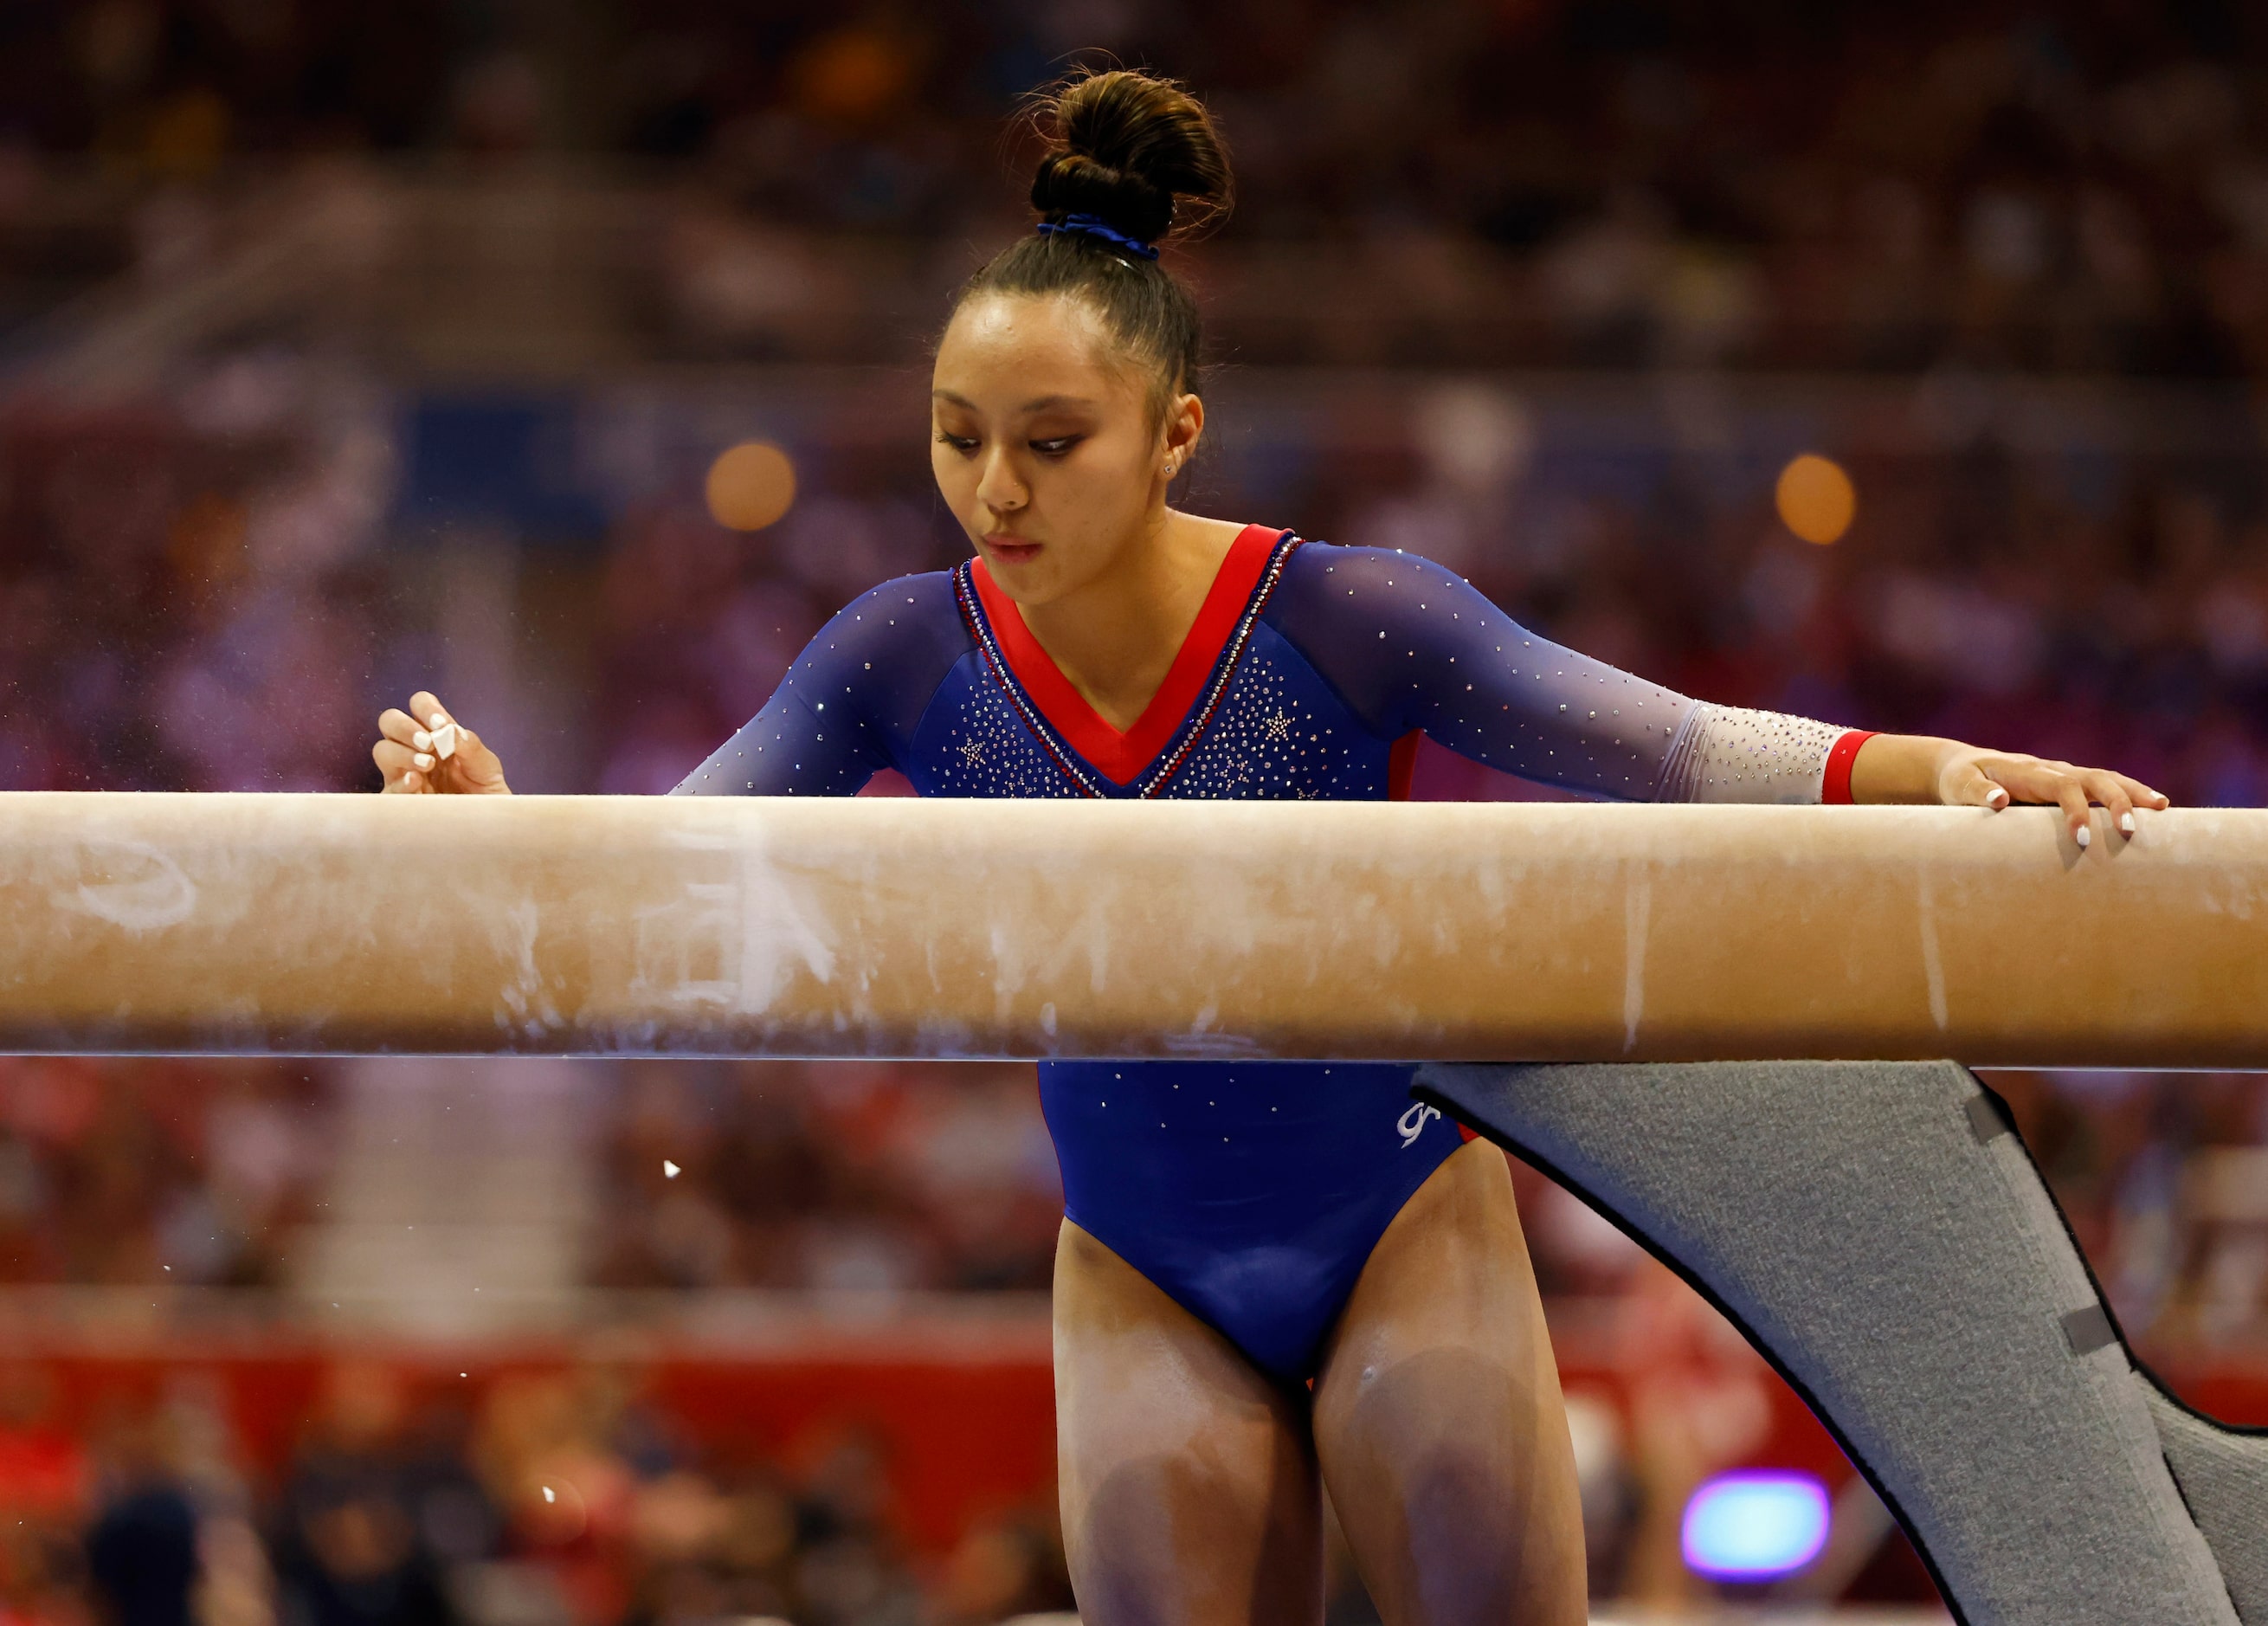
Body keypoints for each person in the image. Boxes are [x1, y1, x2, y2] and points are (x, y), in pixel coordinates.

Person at [370, 68, 2168, 1626]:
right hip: (1139, 1263)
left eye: (1051, 444)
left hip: (1397, 1219)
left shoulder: (1341, 617)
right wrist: (507, 835)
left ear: (1172, 437)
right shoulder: (897, 657)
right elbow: (664, 868)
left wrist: (1935, 771)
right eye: (956, 438)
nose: (996, 491)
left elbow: (1670, 751)